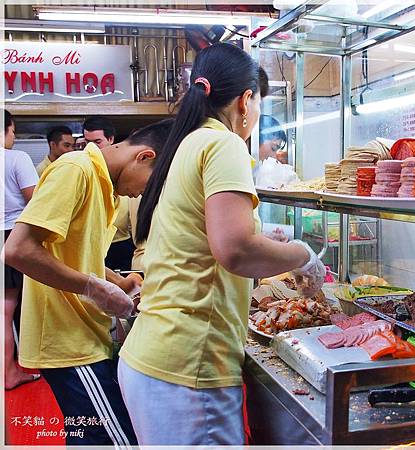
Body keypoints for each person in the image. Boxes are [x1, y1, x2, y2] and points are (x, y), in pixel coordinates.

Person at [118, 43, 325, 446]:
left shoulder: (186, 144)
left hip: (157, 355)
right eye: (259, 104)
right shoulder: (224, 144)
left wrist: (260, 237)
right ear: (246, 101)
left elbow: (200, 236)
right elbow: (234, 250)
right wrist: (302, 255)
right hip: (188, 364)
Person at [4, 119, 173, 446]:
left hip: (86, 335)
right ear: (144, 156)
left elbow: (69, 253)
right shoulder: (76, 170)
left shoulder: (104, 187)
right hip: (69, 341)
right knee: (117, 441)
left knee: (90, 439)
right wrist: (93, 288)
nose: (142, 194)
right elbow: (18, 249)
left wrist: (119, 282)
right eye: (150, 185)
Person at [1, 109, 41, 390]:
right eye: (13, 132)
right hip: (10, 235)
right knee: (6, 310)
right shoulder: (16, 158)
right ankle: (10, 374)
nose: (14, 138)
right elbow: (36, 201)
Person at [83, 116, 136, 271]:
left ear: (111, 139)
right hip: (94, 243)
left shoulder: (125, 166)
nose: (91, 148)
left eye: (97, 142)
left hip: (122, 241)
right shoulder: (83, 168)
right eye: (87, 142)